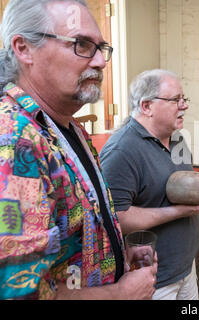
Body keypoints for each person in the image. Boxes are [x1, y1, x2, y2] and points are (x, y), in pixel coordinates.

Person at [0, 0, 157, 300]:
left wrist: (119, 252)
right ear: (23, 48)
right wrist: (120, 294)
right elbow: (22, 293)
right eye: (82, 44)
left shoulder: (68, 127)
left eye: (102, 48)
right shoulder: (14, 139)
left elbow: (79, 225)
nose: (100, 61)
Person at [99, 69, 199, 300]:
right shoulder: (122, 151)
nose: (184, 106)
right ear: (147, 106)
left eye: (184, 99)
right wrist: (176, 212)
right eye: (175, 100)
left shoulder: (177, 138)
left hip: (186, 267)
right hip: (153, 280)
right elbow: (116, 218)